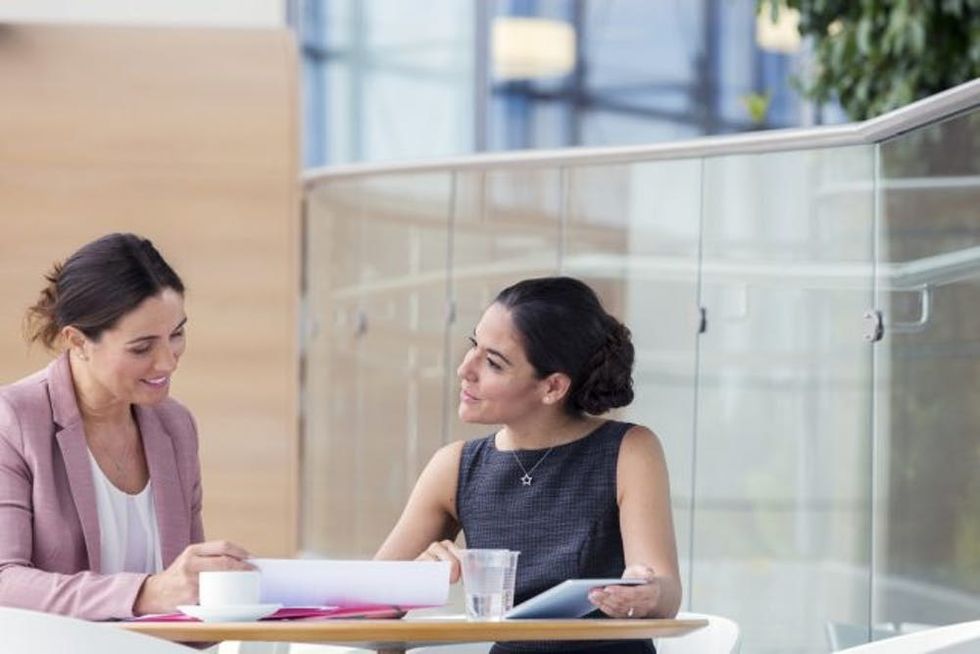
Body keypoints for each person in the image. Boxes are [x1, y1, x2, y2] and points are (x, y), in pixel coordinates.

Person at [376, 276, 682, 653]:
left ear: (552, 387)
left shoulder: (629, 450)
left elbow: (666, 594)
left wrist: (646, 593)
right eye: (474, 345)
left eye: (493, 362)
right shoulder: (455, 466)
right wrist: (417, 581)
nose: (465, 369)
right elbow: (365, 607)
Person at [0, 233, 252, 621]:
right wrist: (146, 593)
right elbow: (4, 582)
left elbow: (185, 602)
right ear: (78, 341)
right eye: (142, 347)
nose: (168, 362)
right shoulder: (13, 420)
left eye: (177, 335)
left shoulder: (176, 426)